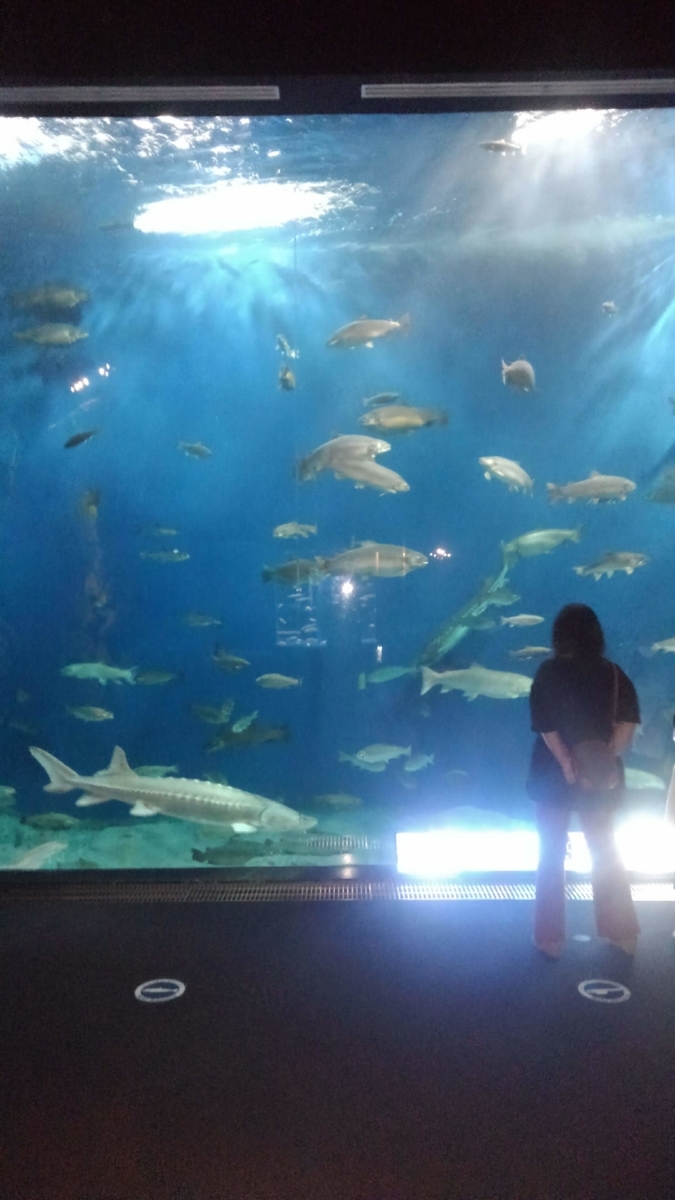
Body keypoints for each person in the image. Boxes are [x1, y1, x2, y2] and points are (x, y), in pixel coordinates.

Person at [526, 603, 641, 958]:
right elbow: (626, 728)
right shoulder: (614, 674)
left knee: (550, 854)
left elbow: (545, 725)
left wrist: (565, 762)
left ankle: (550, 939)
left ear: (559, 635)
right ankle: (621, 934)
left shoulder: (549, 671)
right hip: (598, 779)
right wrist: (601, 759)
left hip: (552, 776)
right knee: (605, 852)